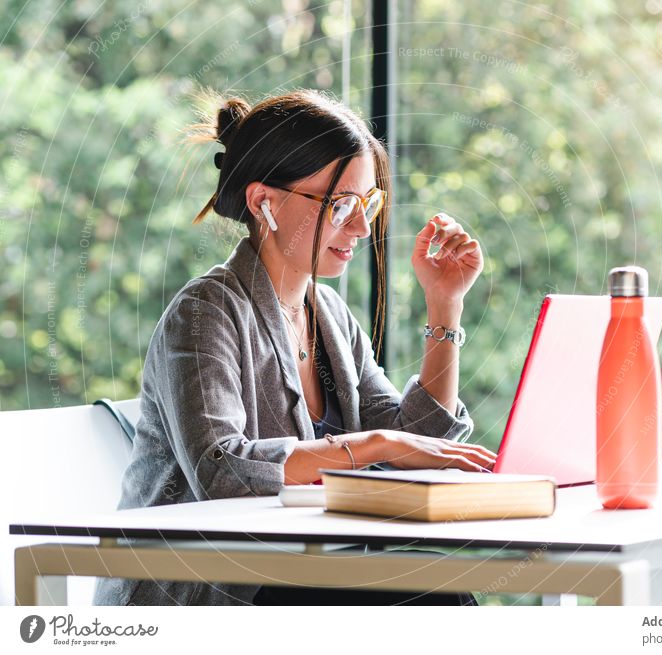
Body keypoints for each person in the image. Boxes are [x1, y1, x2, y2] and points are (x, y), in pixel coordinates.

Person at [93, 88, 494, 606]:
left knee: (435, 589)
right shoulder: (204, 312)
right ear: (266, 202)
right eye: (342, 204)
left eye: (368, 203)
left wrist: (445, 305)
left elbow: (417, 442)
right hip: (204, 591)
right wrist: (374, 447)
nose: (361, 226)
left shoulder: (329, 317)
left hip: (295, 572)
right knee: (431, 598)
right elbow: (221, 469)